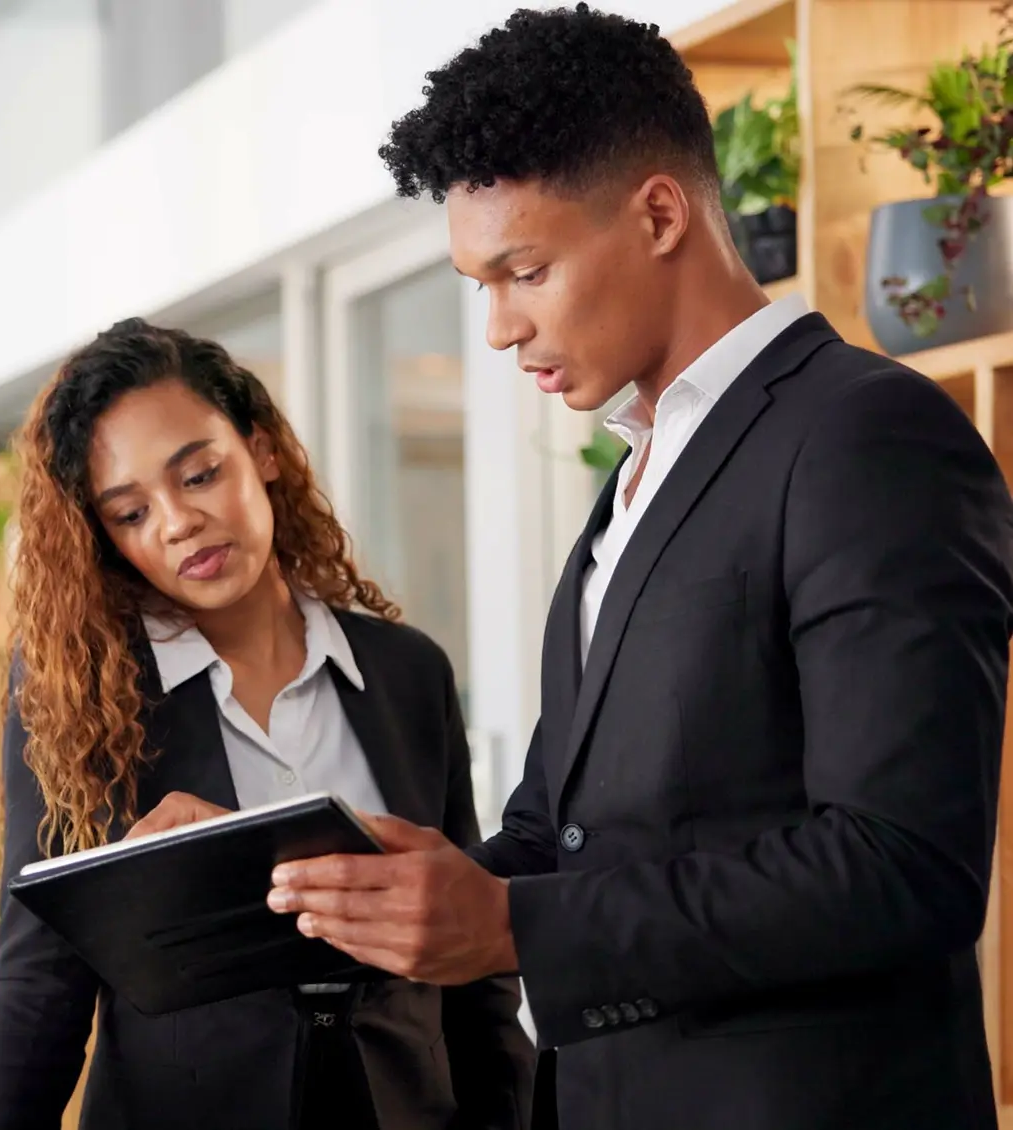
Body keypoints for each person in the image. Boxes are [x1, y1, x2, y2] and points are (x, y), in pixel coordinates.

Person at [260, 6, 1013, 1130]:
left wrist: (513, 925)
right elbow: (565, 833)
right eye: (479, 284)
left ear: (660, 212)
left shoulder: (865, 435)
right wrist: (355, 878)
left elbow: (902, 864)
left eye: (525, 270)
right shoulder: (630, 479)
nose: (498, 328)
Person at [0, 318, 535, 1130]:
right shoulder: (83, 700)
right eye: (130, 513)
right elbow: (42, 984)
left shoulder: (406, 673)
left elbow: (472, 972)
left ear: (260, 450)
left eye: (199, 474)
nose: (177, 523)